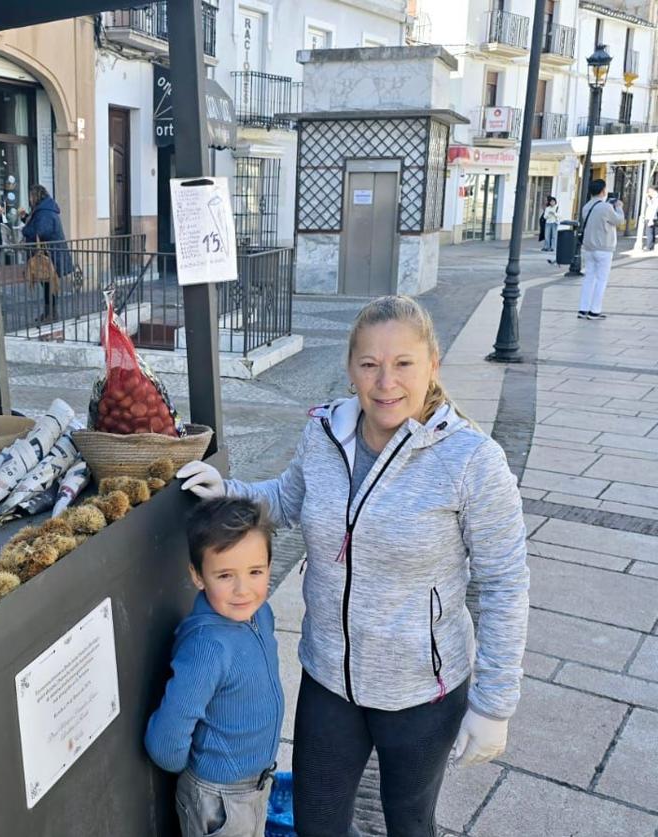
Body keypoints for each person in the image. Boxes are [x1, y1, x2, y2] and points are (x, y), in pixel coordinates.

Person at [178, 295, 529, 837]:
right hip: (328, 677)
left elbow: (504, 582)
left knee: (410, 824)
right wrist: (230, 491)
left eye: (403, 364)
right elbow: (289, 497)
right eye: (370, 364)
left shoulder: (472, 461)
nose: (386, 382)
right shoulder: (324, 434)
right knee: (317, 823)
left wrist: (495, 703)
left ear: (432, 363)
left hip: (421, 692)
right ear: (351, 369)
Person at [145, 498, 283, 837]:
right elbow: (166, 740)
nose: (243, 590)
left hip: (254, 784)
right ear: (198, 576)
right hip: (219, 797)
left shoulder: (259, 615)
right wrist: (196, 770)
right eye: (224, 575)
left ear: (269, 565)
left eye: (255, 572)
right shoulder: (208, 647)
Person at [21, 184, 74, 322]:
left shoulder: (44, 212)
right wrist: (25, 218)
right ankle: (49, 313)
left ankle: (51, 314)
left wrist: (25, 230)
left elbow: (40, 231)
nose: (30, 199)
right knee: (47, 285)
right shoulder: (44, 209)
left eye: (31, 196)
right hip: (51, 254)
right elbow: (39, 226)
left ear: (36, 196)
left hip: (50, 255)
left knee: (49, 285)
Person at [577, 179, 625, 321]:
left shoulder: (586, 207)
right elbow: (619, 221)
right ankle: (594, 311)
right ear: (603, 191)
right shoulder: (605, 207)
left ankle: (583, 309)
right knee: (601, 280)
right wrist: (619, 207)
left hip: (589, 248)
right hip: (604, 248)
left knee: (589, 278)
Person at [641, 185, 658, 251]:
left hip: (651, 217)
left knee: (649, 233)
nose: (649, 193)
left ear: (653, 191)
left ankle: (649, 246)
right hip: (653, 217)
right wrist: (648, 199)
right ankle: (651, 246)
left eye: (649, 191)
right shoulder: (654, 198)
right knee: (652, 233)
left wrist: (651, 220)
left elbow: (654, 209)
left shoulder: (656, 199)